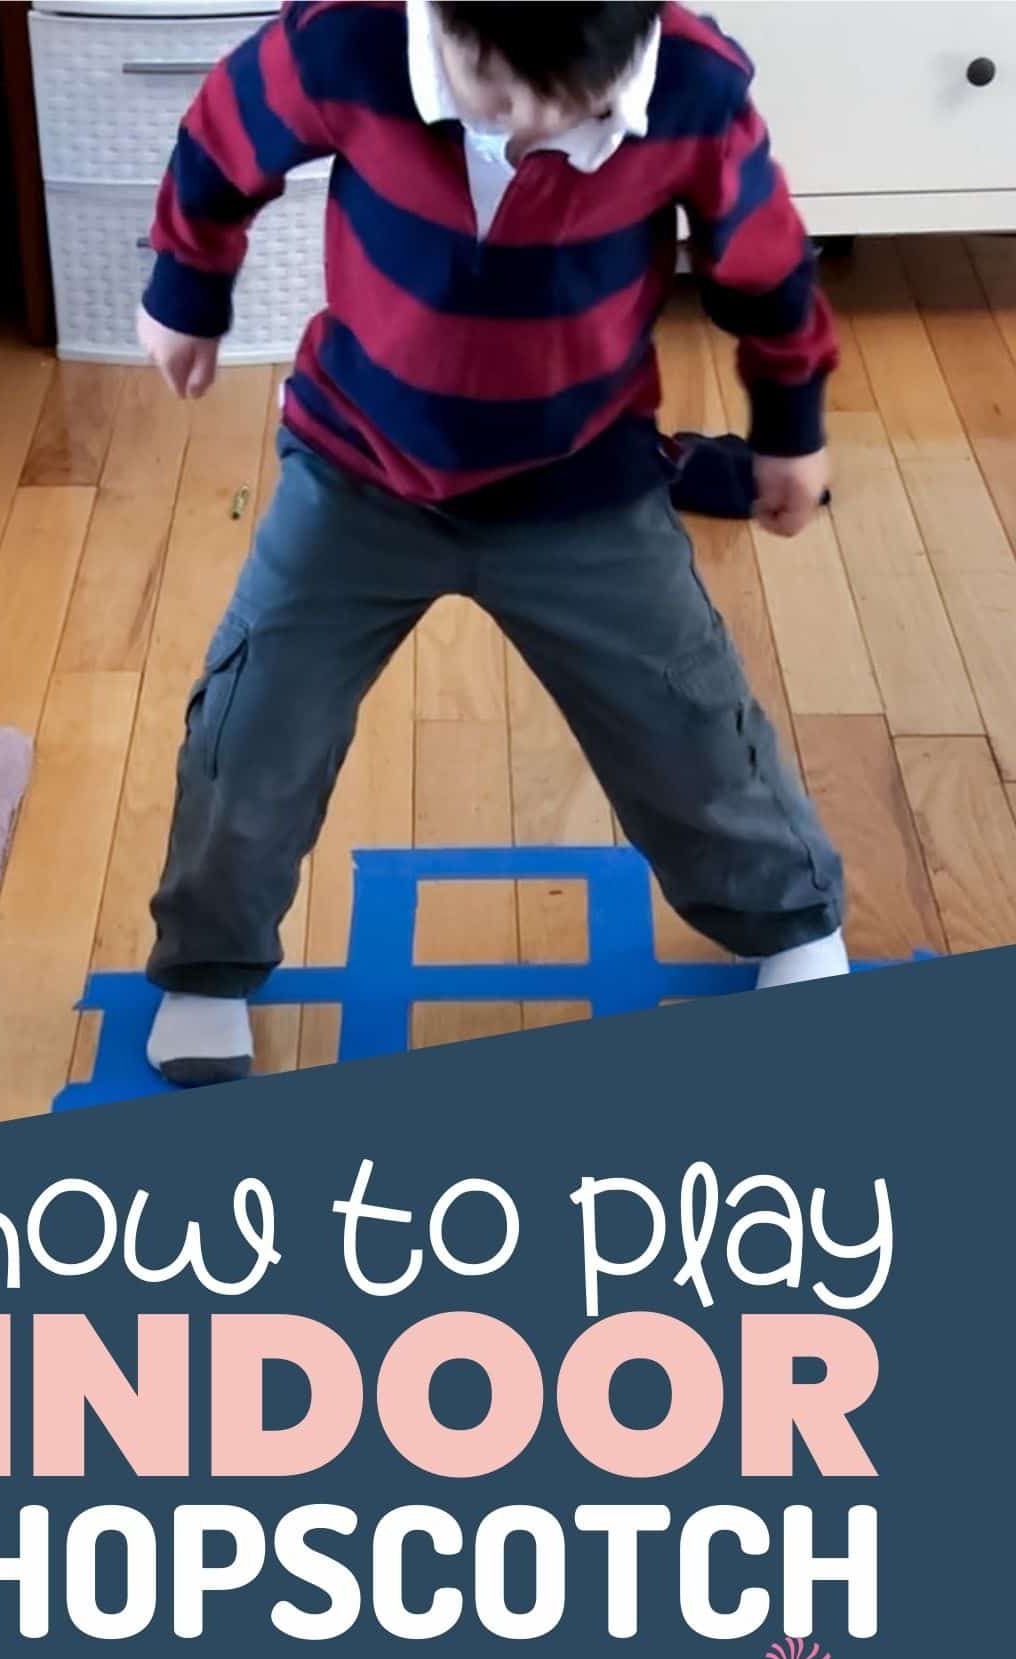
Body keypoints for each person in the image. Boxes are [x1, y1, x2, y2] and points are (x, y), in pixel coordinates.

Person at [137, 0, 848, 1087]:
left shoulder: (694, 89)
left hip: (583, 482)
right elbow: (223, 138)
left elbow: (765, 268)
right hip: (359, 470)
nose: (515, 120)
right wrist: (186, 291)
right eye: (487, 83)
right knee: (254, 724)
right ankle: (207, 964)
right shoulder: (350, 39)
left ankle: (790, 921)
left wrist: (791, 430)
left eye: (555, 100)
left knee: (686, 717)